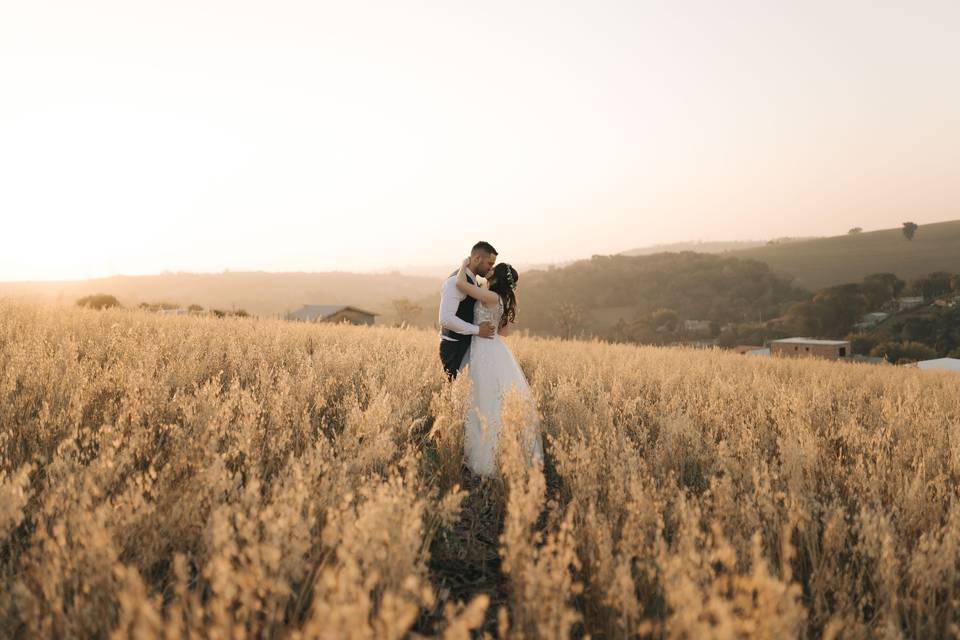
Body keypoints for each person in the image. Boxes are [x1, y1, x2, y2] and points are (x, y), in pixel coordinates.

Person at [453, 257, 544, 478]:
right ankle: (503, 453)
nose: (489, 270)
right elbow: (503, 333)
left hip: (483, 349)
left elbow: (460, 285)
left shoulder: (492, 296)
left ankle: (487, 459)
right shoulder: (501, 300)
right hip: (496, 348)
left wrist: (463, 265)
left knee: (484, 400)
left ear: (496, 277)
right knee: (493, 399)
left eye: (493, 269)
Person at [438, 241, 498, 380]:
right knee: (455, 393)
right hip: (454, 347)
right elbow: (445, 319)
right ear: (477, 259)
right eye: (489, 264)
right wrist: (478, 330)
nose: (491, 269)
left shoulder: (471, 280)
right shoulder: (454, 282)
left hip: (466, 345)